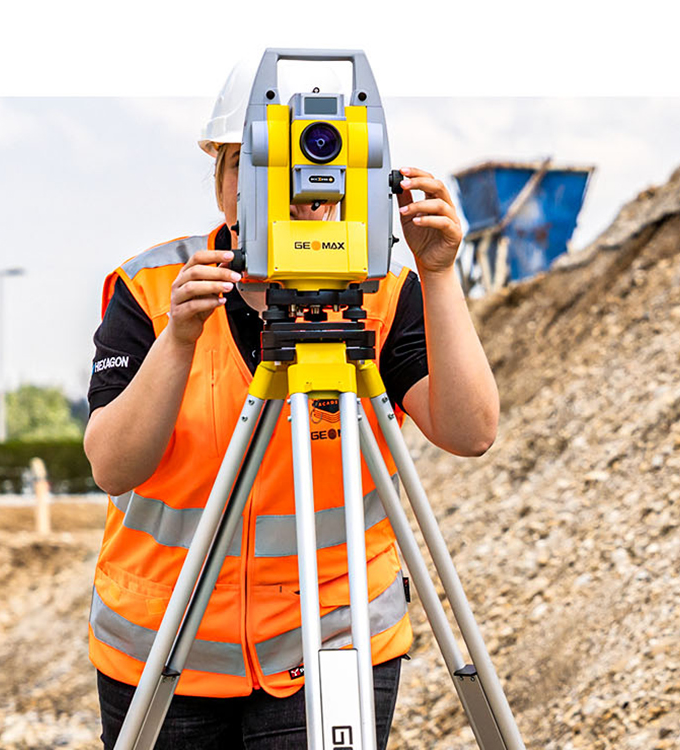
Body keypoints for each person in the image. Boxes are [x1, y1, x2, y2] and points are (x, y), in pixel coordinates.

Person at [83, 59, 499, 749]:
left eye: (310, 159)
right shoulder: (154, 287)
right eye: (256, 163)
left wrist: (438, 273)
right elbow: (113, 467)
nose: (291, 185)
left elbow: (472, 430)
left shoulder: (381, 294)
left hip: (330, 642)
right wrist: (179, 340)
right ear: (223, 175)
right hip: (161, 652)